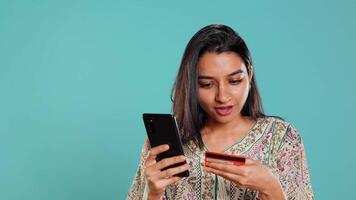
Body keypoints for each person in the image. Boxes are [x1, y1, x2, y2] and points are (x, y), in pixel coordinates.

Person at [127, 24, 314, 200]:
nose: (222, 97)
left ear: (249, 74)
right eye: (207, 84)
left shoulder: (281, 138)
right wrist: (151, 193)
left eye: (234, 81)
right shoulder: (164, 147)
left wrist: (270, 187)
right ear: (192, 84)